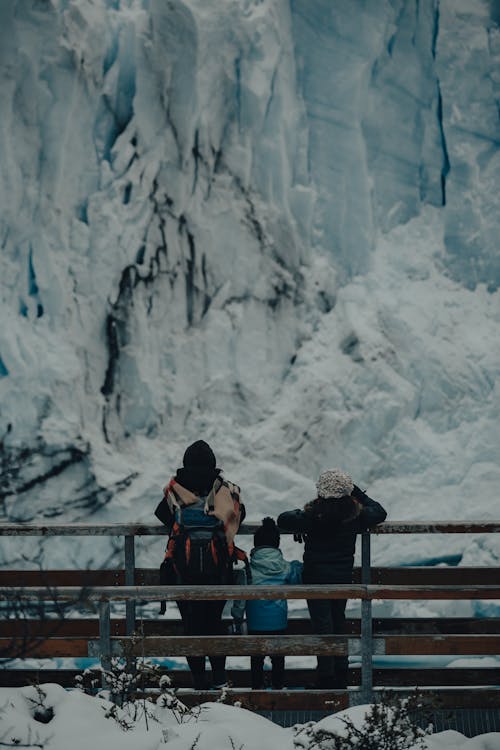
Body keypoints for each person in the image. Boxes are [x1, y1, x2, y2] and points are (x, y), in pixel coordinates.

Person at [277, 469, 387, 689]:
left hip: (316, 579)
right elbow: (380, 512)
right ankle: (341, 675)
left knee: (322, 627)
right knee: (338, 623)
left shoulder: (310, 516)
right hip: (342, 579)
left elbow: (283, 519)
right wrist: (358, 493)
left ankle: (326, 678)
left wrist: (302, 518)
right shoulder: (356, 515)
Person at [155, 440, 245, 690]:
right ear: (213, 464)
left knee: (191, 626)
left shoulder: (174, 489)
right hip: (219, 572)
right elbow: (238, 517)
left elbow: (162, 515)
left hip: (183, 572)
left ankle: (198, 681)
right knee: (214, 623)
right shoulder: (227, 490)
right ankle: (219, 678)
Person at [231, 517, 302, 689]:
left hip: (255, 623)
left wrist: (238, 620)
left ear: (256, 545)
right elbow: (298, 578)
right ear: (277, 544)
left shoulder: (247, 571)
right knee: (278, 657)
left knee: (256, 658)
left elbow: (240, 601)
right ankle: (278, 688)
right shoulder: (287, 567)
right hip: (279, 622)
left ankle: (257, 689)